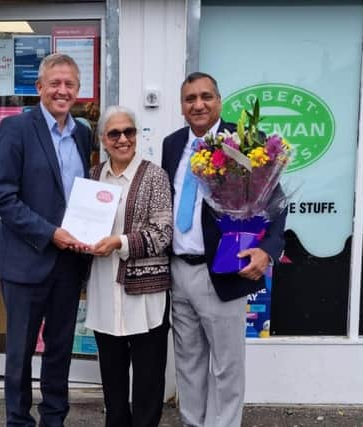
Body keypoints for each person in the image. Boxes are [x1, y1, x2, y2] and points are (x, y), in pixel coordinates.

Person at [161, 72, 287, 427]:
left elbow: (275, 204)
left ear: (219, 100)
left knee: (227, 366)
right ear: (181, 106)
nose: (198, 104)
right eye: (189, 99)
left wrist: (267, 251)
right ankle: (192, 422)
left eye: (205, 96)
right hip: (178, 271)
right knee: (188, 362)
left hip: (224, 270)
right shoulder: (172, 145)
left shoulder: (245, 141)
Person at [0, 53, 93, 426]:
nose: (62, 91)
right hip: (25, 261)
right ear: (39, 89)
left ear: (78, 90)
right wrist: (50, 233)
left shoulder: (83, 132)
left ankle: (54, 418)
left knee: (60, 350)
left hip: (68, 264)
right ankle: (18, 420)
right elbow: (2, 196)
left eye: (69, 84)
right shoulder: (16, 129)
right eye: (55, 83)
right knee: (19, 353)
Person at [83, 106, 172, 427]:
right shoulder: (93, 177)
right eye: (114, 134)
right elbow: (83, 227)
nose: (123, 139)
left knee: (148, 380)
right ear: (103, 140)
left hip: (144, 295)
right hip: (105, 291)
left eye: (129, 132)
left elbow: (163, 234)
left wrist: (118, 242)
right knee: (113, 379)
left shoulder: (155, 176)